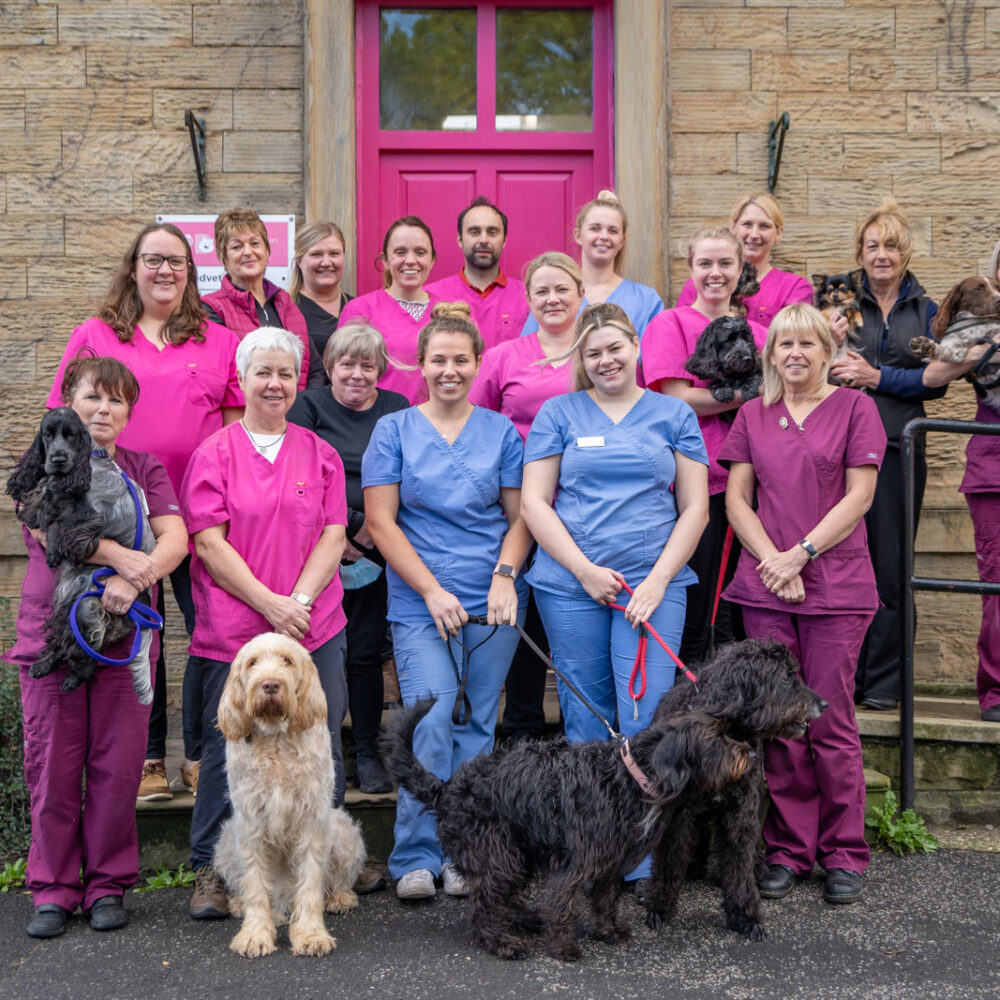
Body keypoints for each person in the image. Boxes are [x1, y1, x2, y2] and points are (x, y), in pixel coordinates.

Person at [47, 222, 243, 803]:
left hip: (203, 519)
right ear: (133, 267)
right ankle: (151, 760)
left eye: (177, 262)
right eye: (153, 260)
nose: (165, 272)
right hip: (123, 520)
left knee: (212, 631)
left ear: (191, 271)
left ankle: (204, 756)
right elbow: (61, 426)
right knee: (138, 632)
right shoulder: (95, 335)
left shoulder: (218, 340)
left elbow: (234, 434)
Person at [520, 302, 709, 885]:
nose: (605, 360)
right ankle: (592, 846)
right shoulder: (559, 413)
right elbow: (534, 503)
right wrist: (582, 571)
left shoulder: (673, 413)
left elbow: (696, 506)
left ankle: (644, 857)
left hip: (652, 588)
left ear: (635, 347)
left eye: (614, 348)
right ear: (581, 358)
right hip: (571, 587)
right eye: (593, 352)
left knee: (647, 714)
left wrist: (655, 582)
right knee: (586, 717)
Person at [10, 355, 188, 938]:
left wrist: (132, 581)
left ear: (129, 410)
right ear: (69, 402)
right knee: (54, 765)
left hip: (124, 633)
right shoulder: (43, 465)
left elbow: (176, 538)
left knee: (117, 765)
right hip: (52, 632)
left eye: (115, 400)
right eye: (91, 397)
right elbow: (53, 533)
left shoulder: (145, 467)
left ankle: (108, 883)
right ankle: (54, 888)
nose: (103, 409)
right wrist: (117, 557)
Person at [181, 327, 352, 920]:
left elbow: (334, 531)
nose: (274, 383)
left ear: (296, 381)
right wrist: (271, 606)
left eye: (285, 373)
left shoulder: (318, 451)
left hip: (314, 626)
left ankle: (320, 871)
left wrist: (298, 601)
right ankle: (210, 868)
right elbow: (207, 541)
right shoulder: (215, 452)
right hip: (235, 627)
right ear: (244, 379)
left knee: (319, 740)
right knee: (224, 743)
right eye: (262, 373)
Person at [720, 302, 886, 905]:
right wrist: (773, 561)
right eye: (783, 344)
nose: (794, 354)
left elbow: (860, 495)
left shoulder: (855, 408)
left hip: (835, 588)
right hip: (767, 588)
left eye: (806, 344)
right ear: (772, 354)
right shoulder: (753, 414)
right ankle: (789, 850)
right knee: (780, 726)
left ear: (825, 352)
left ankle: (844, 853)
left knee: (831, 722)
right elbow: (738, 500)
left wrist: (800, 556)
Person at [363, 302, 530, 901]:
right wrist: (430, 589)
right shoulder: (395, 430)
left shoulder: (501, 431)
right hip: (420, 600)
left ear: (479, 363)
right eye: (439, 360)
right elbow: (381, 523)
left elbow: (520, 517)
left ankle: (465, 852)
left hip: (494, 601)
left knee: (478, 727)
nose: (450, 370)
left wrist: (505, 576)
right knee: (429, 724)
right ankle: (415, 852)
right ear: (421, 365)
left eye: (461, 360)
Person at [829, 199, 943, 711]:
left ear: (905, 253)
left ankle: (883, 686)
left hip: (899, 449)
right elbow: (815, 365)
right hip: (839, 448)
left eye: (891, 246)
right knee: (841, 562)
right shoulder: (837, 301)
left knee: (892, 568)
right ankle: (841, 680)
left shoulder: (927, 310)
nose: (881, 254)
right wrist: (829, 348)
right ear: (860, 250)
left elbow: (937, 383)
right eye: (872, 245)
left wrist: (876, 377)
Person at [288, 321, 408, 792]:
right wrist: (354, 528)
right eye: (346, 364)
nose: (357, 374)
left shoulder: (397, 409)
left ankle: (367, 751)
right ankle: (321, 757)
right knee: (316, 655)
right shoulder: (308, 407)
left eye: (367, 364)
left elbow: (407, 474)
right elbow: (302, 477)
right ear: (328, 367)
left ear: (380, 368)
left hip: (380, 551)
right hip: (317, 551)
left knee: (363, 654)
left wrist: (376, 533)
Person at [469, 251, 584, 740]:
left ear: (581, 294)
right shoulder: (502, 357)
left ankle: (585, 736)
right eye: (542, 291)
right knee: (522, 623)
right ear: (529, 299)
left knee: (576, 625)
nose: (553, 298)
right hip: (515, 508)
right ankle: (520, 734)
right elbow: (473, 425)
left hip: (582, 509)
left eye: (562, 289)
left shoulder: (599, 351)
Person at [641, 228, 768, 663]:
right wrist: (743, 395)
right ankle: (689, 690)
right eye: (705, 264)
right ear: (691, 269)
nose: (716, 274)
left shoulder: (761, 334)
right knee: (700, 596)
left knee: (741, 600)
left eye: (725, 264)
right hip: (701, 481)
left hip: (757, 481)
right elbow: (673, 399)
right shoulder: (670, 324)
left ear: (740, 269)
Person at [921, 310, 1000, 724]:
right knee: (998, 588)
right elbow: (933, 375)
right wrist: (986, 350)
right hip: (995, 470)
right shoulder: (982, 324)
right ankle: (996, 691)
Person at [522, 190, 663, 339]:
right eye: (595, 228)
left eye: (613, 231)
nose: (604, 236)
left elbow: (656, 355)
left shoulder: (646, 299)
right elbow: (530, 349)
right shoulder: (554, 295)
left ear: (622, 241)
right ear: (578, 235)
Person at [202, 207, 315, 390]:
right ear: (223, 257)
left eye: (255, 243)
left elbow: (314, 369)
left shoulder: (287, 304)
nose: (248, 252)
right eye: (237, 246)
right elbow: (220, 374)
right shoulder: (211, 308)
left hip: (295, 414)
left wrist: (300, 409)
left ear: (267, 250)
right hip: (246, 414)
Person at [339, 216, 442, 404]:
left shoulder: (446, 312)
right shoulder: (360, 310)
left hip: (437, 424)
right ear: (385, 260)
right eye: (400, 252)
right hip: (379, 422)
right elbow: (345, 377)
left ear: (432, 260)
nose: (410, 260)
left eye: (420, 252)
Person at [674, 192, 814, 329]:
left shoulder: (794, 288)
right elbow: (681, 330)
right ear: (733, 227)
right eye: (747, 224)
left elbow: (796, 341)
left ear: (778, 233)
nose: (754, 234)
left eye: (764, 226)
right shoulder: (701, 284)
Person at [425, 196, 530, 349]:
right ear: (460, 239)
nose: (483, 240)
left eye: (492, 232)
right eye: (474, 232)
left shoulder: (527, 297)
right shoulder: (430, 296)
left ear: (504, 240)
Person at [289, 220, 354, 388]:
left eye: (334, 253)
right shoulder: (286, 310)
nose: (326, 262)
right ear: (299, 260)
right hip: (308, 408)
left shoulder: (357, 307)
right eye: (317, 254)